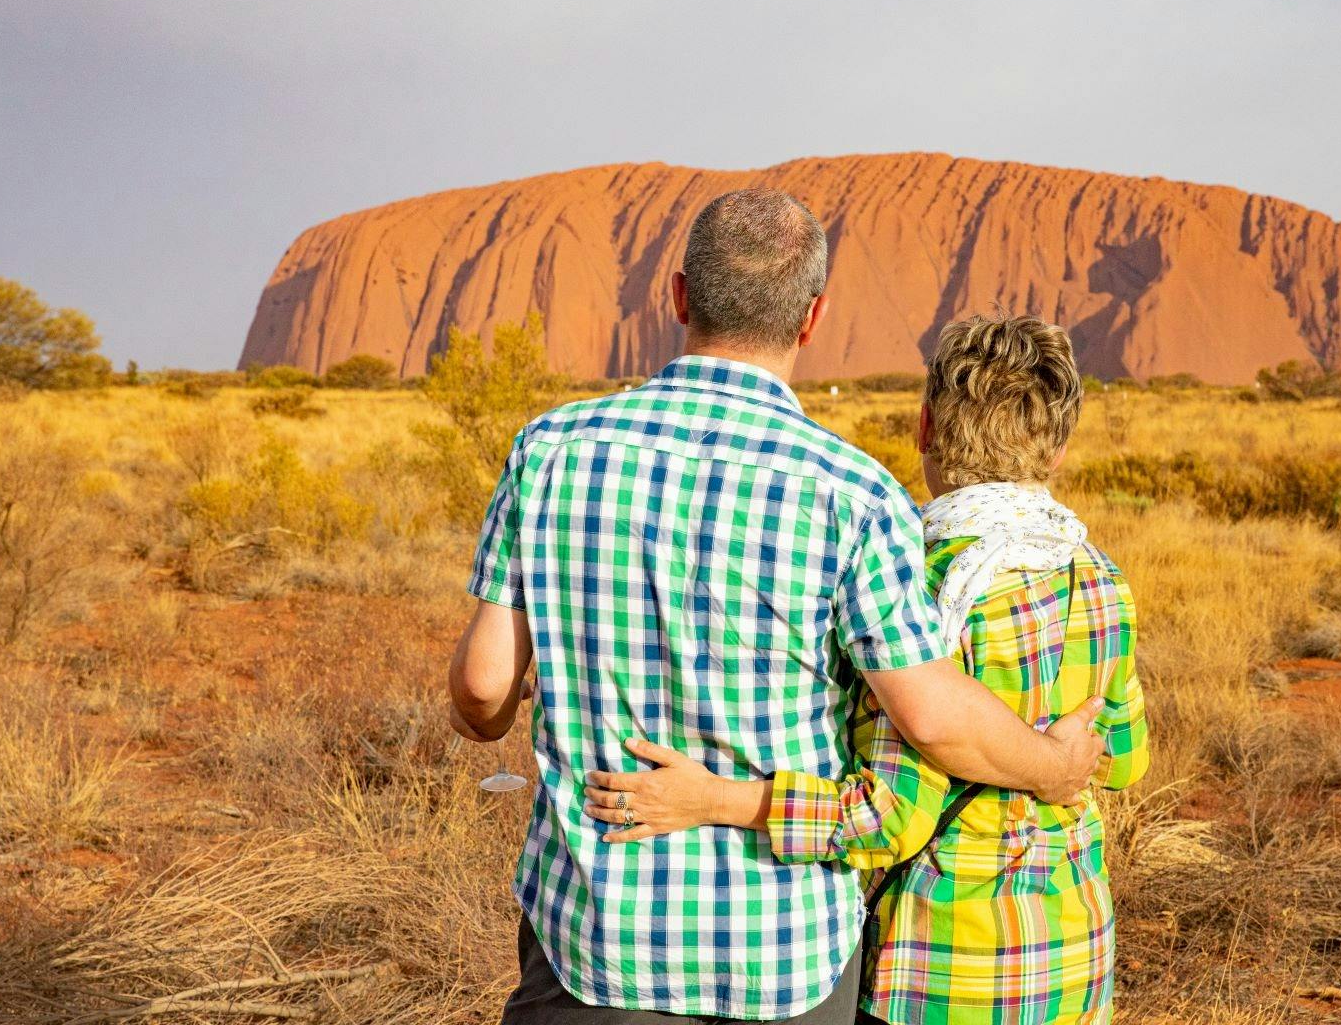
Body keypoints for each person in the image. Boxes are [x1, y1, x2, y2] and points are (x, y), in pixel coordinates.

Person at [447, 191, 1108, 1024]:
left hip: (593, 942)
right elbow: (932, 719)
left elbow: (480, 690)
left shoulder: (551, 451)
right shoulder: (855, 491)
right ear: (812, 316)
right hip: (781, 956)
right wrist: (1053, 767)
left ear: (680, 297)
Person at [584, 315, 1148, 1025]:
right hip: (1072, 958)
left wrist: (715, 801)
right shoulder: (1099, 576)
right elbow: (1122, 762)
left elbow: (886, 822)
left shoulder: (918, 584)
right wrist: (1051, 760)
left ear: (923, 428)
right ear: (1058, 452)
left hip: (945, 972)